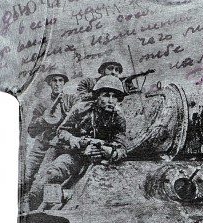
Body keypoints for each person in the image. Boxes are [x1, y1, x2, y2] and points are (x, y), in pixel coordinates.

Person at [27, 75, 128, 210]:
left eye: (114, 97)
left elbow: (122, 147)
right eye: (106, 95)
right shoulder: (81, 109)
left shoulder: (118, 117)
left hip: (98, 157)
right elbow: (62, 130)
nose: (110, 100)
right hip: (74, 153)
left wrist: (110, 152)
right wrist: (76, 141)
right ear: (97, 96)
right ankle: (39, 211)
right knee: (52, 174)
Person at [24, 67, 77, 188]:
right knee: (26, 176)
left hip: (62, 146)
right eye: (54, 80)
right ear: (49, 83)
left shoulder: (71, 100)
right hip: (42, 146)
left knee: (53, 176)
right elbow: (31, 131)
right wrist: (43, 119)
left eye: (60, 80)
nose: (57, 84)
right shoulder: (42, 104)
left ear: (64, 82)